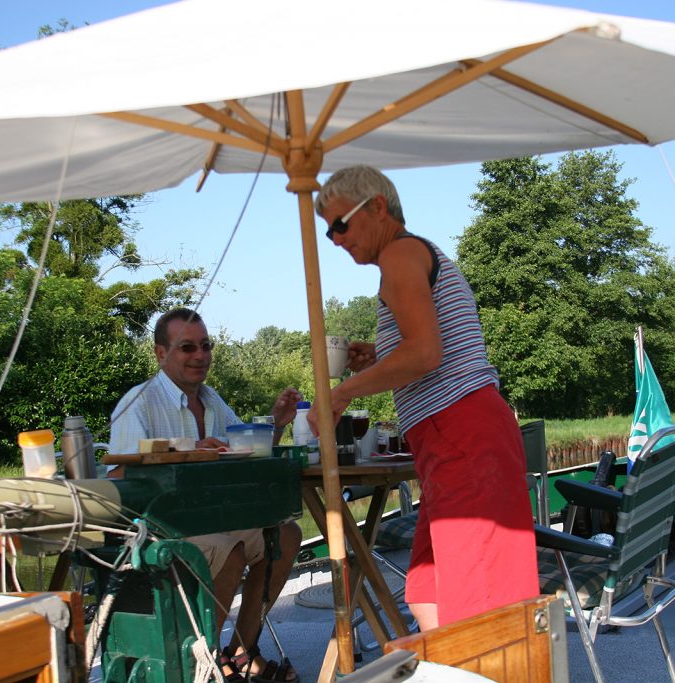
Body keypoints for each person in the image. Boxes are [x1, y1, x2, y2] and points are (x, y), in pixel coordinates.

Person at [310, 165, 539, 630]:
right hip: (454, 437)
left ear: (377, 207)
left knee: (482, 605)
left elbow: (426, 353)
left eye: (340, 224)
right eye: (327, 231)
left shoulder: (398, 255)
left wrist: (341, 394)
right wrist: (377, 357)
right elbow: (431, 345)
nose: (334, 239)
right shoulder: (415, 254)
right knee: (428, 594)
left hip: (462, 434)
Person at [110, 307, 302, 683]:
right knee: (229, 551)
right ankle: (204, 667)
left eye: (205, 345)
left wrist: (276, 424)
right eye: (186, 348)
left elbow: (242, 455)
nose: (199, 356)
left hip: (211, 520)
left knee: (287, 535)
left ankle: (243, 652)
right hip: (157, 528)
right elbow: (119, 476)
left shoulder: (212, 400)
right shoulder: (139, 403)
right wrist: (189, 450)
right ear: (160, 353)